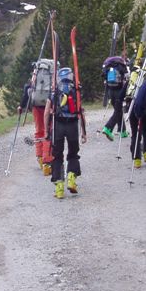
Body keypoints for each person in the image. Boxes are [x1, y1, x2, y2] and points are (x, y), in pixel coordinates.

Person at [44, 67, 87, 198]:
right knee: (73, 153)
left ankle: (59, 188)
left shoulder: (54, 92)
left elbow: (46, 113)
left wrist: (46, 131)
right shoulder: (76, 91)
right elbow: (81, 113)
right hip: (73, 125)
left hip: (58, 126)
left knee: (57, 156)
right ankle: (71, 178)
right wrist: (84, 132)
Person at [18, 75, 52, 175]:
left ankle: (40, 157)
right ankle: (47, 162)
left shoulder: (34, 77)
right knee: (48, 132)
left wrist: (21, 106)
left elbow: (26, 93)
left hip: (36, 107)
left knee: (39, 131)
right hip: (49, 107)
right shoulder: (52, 76)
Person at [99, 55, 129, 141]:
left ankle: (122, 131)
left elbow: (103, 76)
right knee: (118, 111)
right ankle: (108, 128)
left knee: (118, 110)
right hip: (119, 91)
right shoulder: (121, 66)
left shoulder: (108, 66)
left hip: (110, 91)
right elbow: (127, 78)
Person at [129, 73, 146, 169]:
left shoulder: (131, 80)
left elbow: (122, 94)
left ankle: (137, 160)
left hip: (131, 107)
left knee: (135, 134)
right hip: (143, 109)